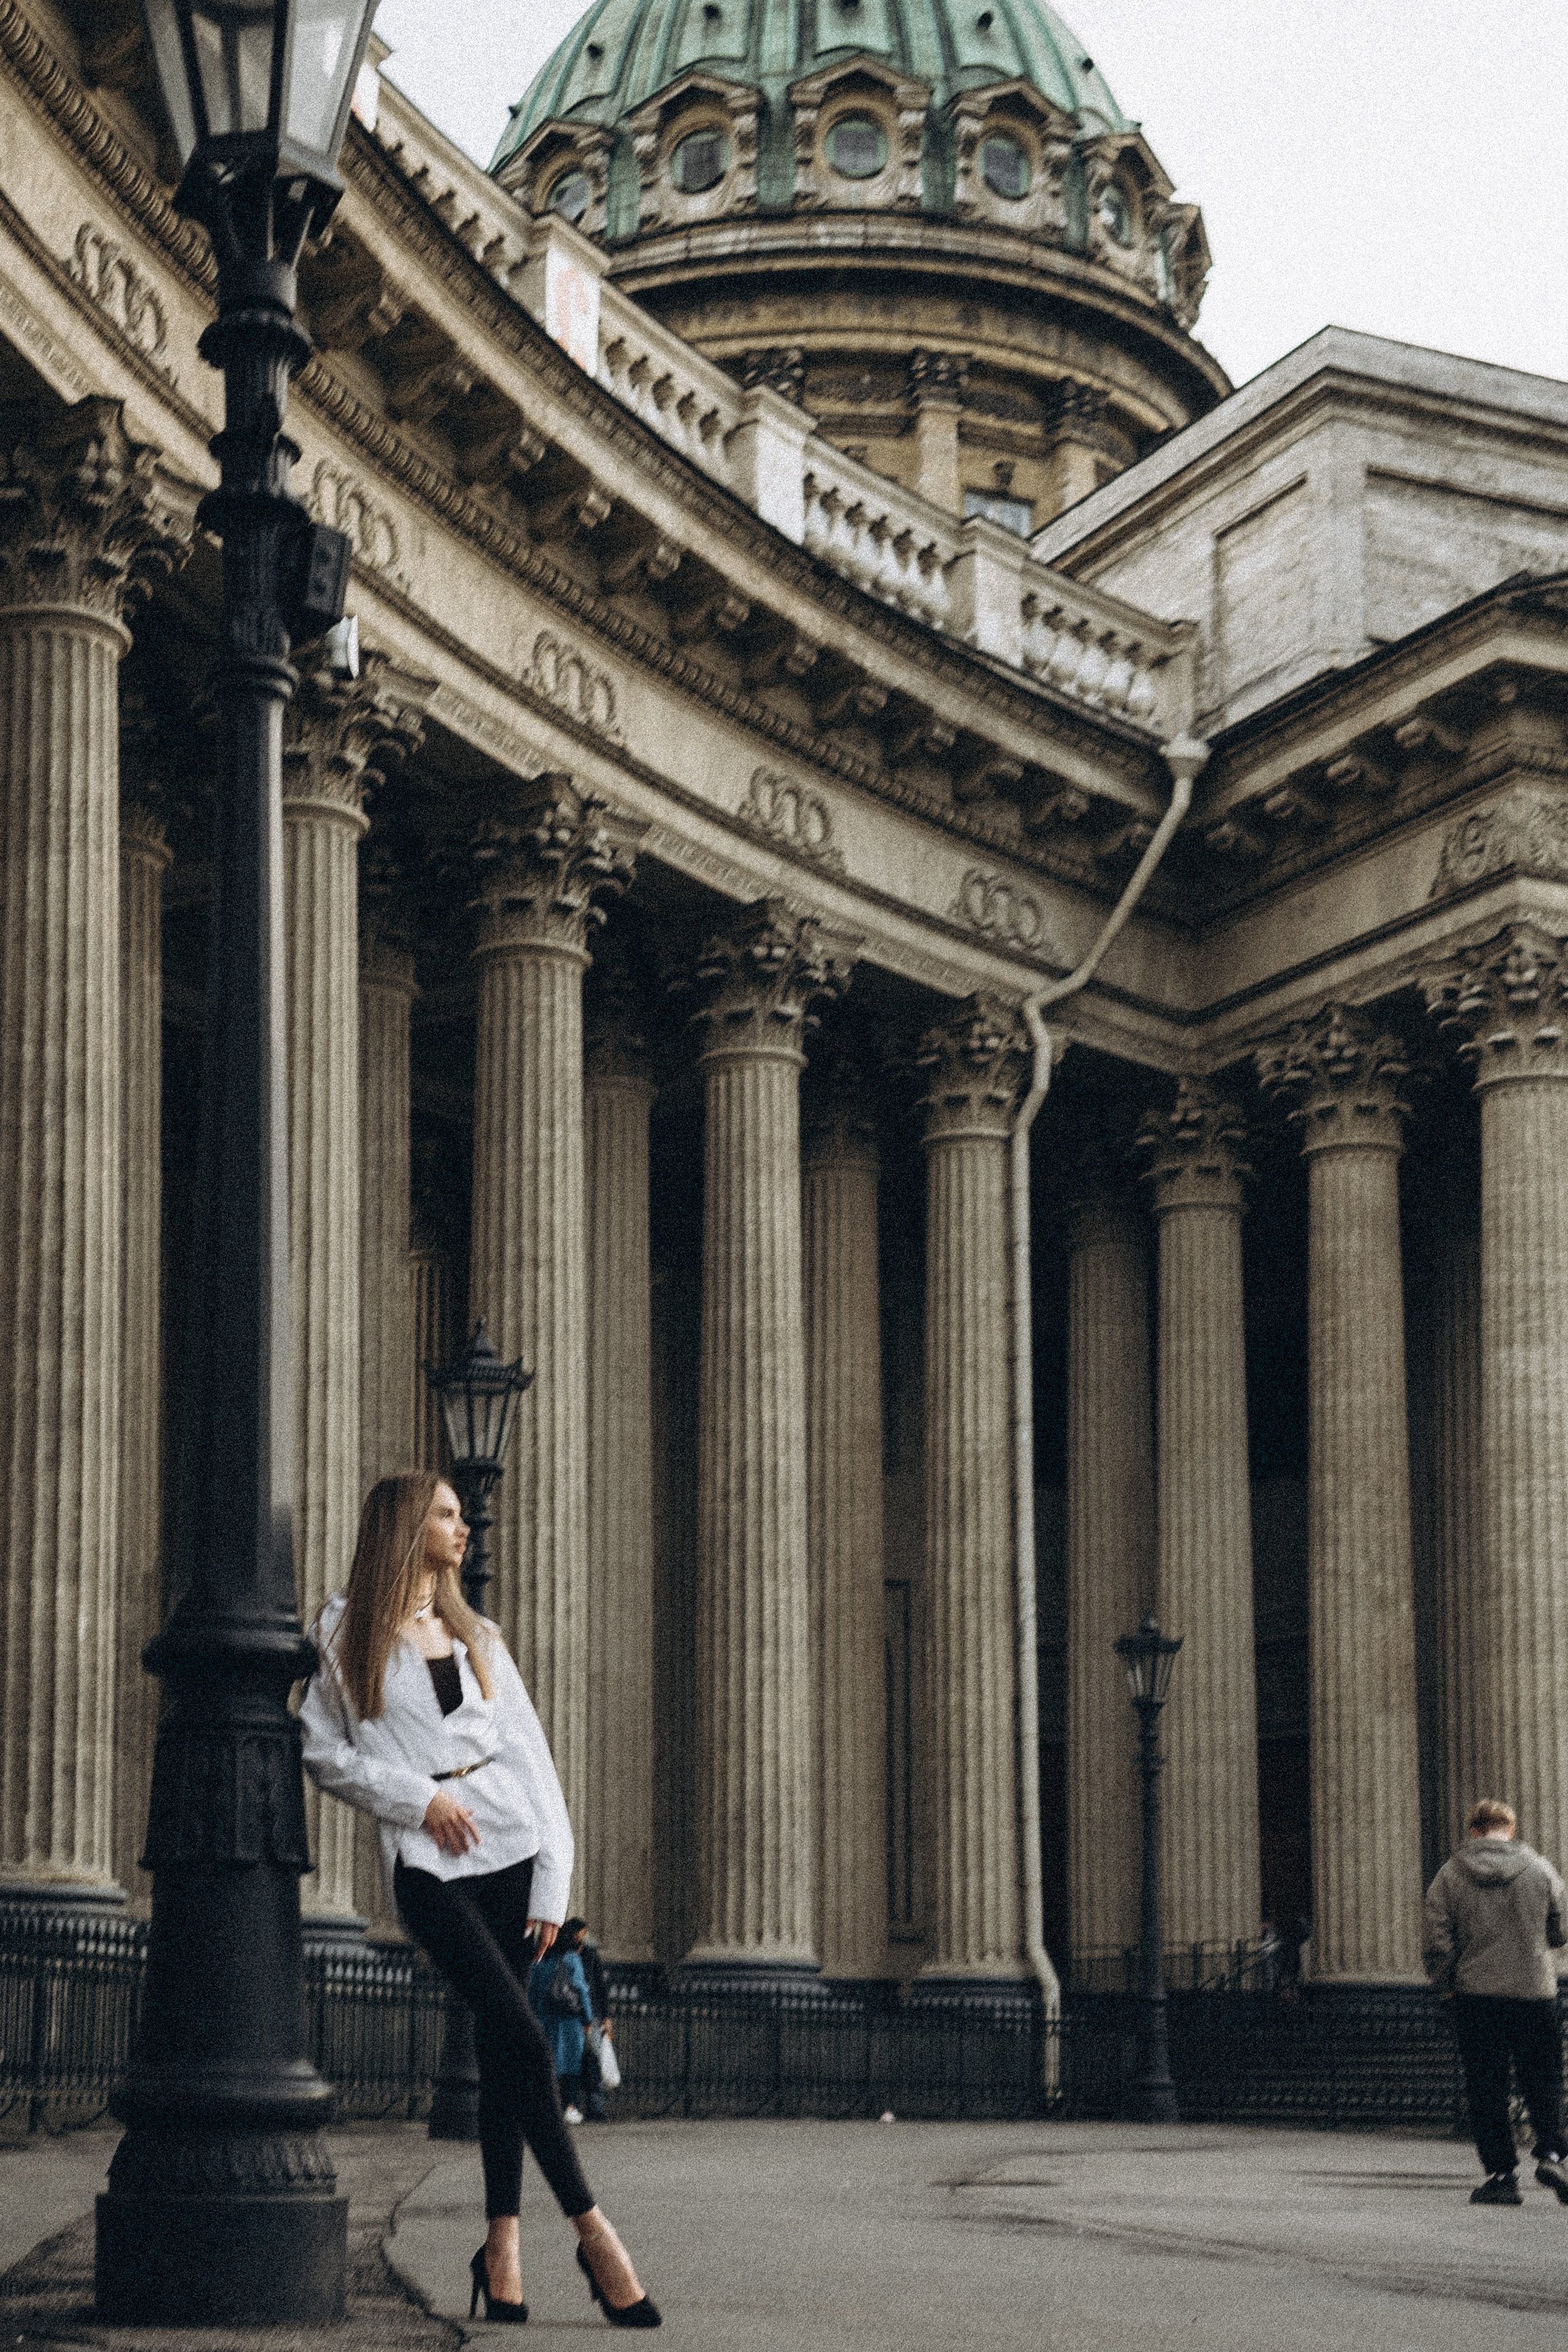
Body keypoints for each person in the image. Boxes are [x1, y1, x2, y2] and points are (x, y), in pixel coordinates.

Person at [300, 1470, 661, 2328]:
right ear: (404, 1526)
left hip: (510, 1849)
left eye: (461, 1515)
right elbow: (321, 1752)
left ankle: (501, 2251)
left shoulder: (477, 1635)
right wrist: (418, 1800)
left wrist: (553, 1883)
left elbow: (535, 1766)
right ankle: (594, 2230)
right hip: (431, 1862)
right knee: (522, 2035)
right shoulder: (345, 1633)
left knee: (505, 2052)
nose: (463, 1528)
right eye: (447, 1514)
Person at [1423, 1796, 1568, 2206]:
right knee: (1543, 2079)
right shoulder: (1541, 1869)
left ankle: (1503, 2176)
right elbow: (1560, 1930)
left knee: (1487, 2087)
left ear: (1473, 1831)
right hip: (1534, 1992)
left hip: (1477, 1996)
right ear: (1511, 1829)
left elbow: (1436, 1939)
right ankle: (1553, 2154)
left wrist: (1447, 1984)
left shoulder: (1450, 1875)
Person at [532, 1918, 595, 2122]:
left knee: (549, 2064)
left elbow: (532, 1990)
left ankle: (547, 2106)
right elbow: (581, 1990)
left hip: (544, 2018)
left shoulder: (540, 1959)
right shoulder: (571, 1959)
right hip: (569, 2021)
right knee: (570, 2065)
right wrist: (588, 2018)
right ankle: (569, 2106)